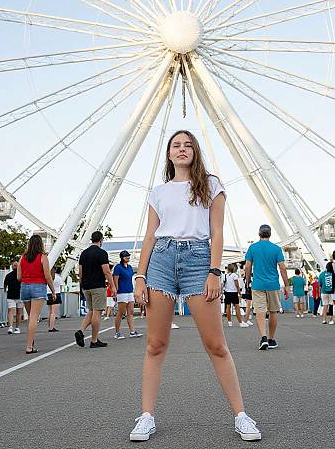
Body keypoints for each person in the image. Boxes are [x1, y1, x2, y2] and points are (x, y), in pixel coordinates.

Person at [131, 130, 261, 442]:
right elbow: (150, 235)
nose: (182, 149)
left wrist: (214, 271)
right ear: (169, 154)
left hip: (199, 260)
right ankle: (146, 415)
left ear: (196, 152)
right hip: (161, 260)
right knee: (155, 344)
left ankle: (241, 415)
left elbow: (217, 232)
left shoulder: (211, 185)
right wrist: (140, 275)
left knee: (216, 344)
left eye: (188, 145)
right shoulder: (158, 192)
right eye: (176, 145)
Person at [244, 224, 289, 351]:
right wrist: (286, 285)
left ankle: (263, 337)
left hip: (258, 284)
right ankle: (271, 339)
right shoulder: (276, 249)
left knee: (260, 311)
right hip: (273, 284)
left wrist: (247, 281)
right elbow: (282, 268)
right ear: (270, 234)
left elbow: (247, 266)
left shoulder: (252, 248)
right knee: (273, 311)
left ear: (259, 234)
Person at [75, 231, 116, 349]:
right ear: (101, 240)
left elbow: (81, 272)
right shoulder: (102, 253)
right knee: (97, 312)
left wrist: (81, 285)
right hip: (98, 286)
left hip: (86, 286)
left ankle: (81, 331)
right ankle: (94, 340)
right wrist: (112, 286)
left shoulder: (84, 253)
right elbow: (106, 271)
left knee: (91, 311)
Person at [18, 234, 56, 354]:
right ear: (41, 245)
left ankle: (31, 343)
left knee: (31, 318)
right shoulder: (43, 257)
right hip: (38, 287)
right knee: (34, 318)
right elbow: (47, 276)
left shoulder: (22, 257)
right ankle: (29, 346)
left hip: (24, 287)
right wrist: (53, 290)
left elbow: (19, 276)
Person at [113, 250, 142, 339]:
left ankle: (132, 332)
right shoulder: (118, 267)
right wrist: (116, 291)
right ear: (122, 258)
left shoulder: (129, 267)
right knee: (121, 313)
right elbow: (115, 280)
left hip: (130, 291)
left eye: (128, 256)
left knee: (131, 312)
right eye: (126, 256)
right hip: (122, 292)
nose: (128, 258)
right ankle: (117, 333)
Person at [4, 260, 22, 334]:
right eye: (14, 265)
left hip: (20, 296)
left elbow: (5, 285)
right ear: (12, 266)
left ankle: (17, 327)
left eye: (17, 265)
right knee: (11, 311)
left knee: (18, 312)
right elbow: (5, 284)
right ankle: (11, 327)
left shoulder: (22, 275)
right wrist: (5, 290)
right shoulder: (9, 275)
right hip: (11, 296)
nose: (15, 266)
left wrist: (5, 290)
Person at [47, 267, 64, 332]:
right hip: (56, 293)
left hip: (48, 294)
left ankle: (50, 326)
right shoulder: (58, 278)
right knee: (54, 312)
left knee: (50, 312)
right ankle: (51, 327)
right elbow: (61, 286)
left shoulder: (48, 276)